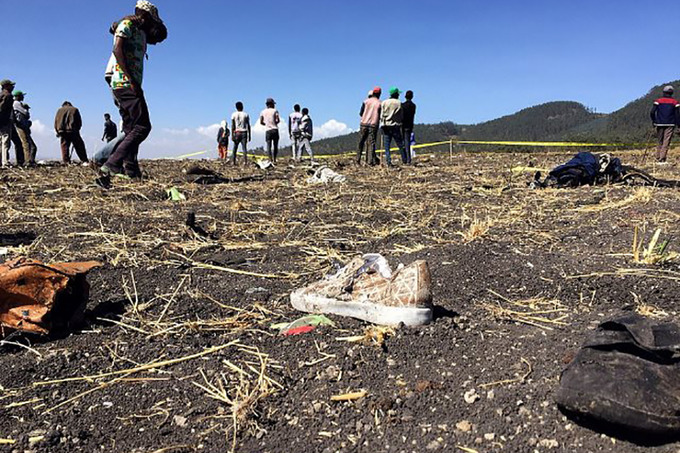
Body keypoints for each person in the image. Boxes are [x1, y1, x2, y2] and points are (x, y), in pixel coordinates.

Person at [98, 0, 166, 187]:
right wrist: (132, 80)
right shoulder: (127, 24)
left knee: (129, 129)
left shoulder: (141, 32)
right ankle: (111, 163)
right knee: (143, 126)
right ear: (145, 16)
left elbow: (161, 35)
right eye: (152, 21)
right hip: (125, 83)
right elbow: (117, 48)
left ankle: (130, 169)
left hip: (128, 83)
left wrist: (154, 25)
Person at [650, 85, 680, 163]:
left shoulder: (658, 101)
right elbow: (677, 115)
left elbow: (652, 112)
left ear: (663, 92)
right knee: (666, 141)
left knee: (660, 141)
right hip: (670, 124)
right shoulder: (675, 102)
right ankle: (662, 158)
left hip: (659, 123)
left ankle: (657, 157)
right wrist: (679, 125)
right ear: (672, 93)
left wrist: (654, 121)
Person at [380, 87, 407, 166]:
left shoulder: (384, 102)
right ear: (396, 94)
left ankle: (388, 161)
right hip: (395, 126)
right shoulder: (399, 103)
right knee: (400, 144)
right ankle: (404, 160)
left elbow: (382, 115)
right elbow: (401, 116)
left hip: (386, 125)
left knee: (387, 146)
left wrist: (382, 124)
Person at [357, 87, 382, 165]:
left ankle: (358, 159)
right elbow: (380, 115)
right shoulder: (380, 103)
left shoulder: (366, 101)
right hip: (373, 125)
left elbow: (361, 113)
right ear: (379, 94)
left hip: (364, 123)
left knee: (361, 142)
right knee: (371, 143)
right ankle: (369, 162)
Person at [13, 91, 37, 166]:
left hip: (21, 126)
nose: (23, 97)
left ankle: (27, 161)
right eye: (22, 96)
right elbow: (25, 113)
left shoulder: (17, 104)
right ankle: (27, 161)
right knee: (26, 144)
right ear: (18, 96)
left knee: (27, 145)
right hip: (21, 126)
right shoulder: (16, 103)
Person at [259, 98, 281, 163]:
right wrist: (274, 123)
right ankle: (274, 159)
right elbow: (277, 120)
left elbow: (261, 122)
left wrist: (266, 124)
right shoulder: (275, 111)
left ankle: (270, 159)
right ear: (271, 104)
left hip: (268, 130)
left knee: (268, 145)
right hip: (275, 129)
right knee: (275, 145)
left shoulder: (263, 112)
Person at [0, 79, 15, 167]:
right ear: (6, 86)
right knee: (5, 141)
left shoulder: (1, 95)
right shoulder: (7, 96)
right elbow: (1, 109)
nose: (12, 87)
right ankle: (5, 162)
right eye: (10, 85)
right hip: (4, 121)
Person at [401, 90, 416, 164]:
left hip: (403, 125)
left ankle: (406, 159)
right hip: (410, 125)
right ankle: (408, 159)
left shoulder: (403, 105)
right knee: (407, 142)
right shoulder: (413, 106)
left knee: (404, 142)